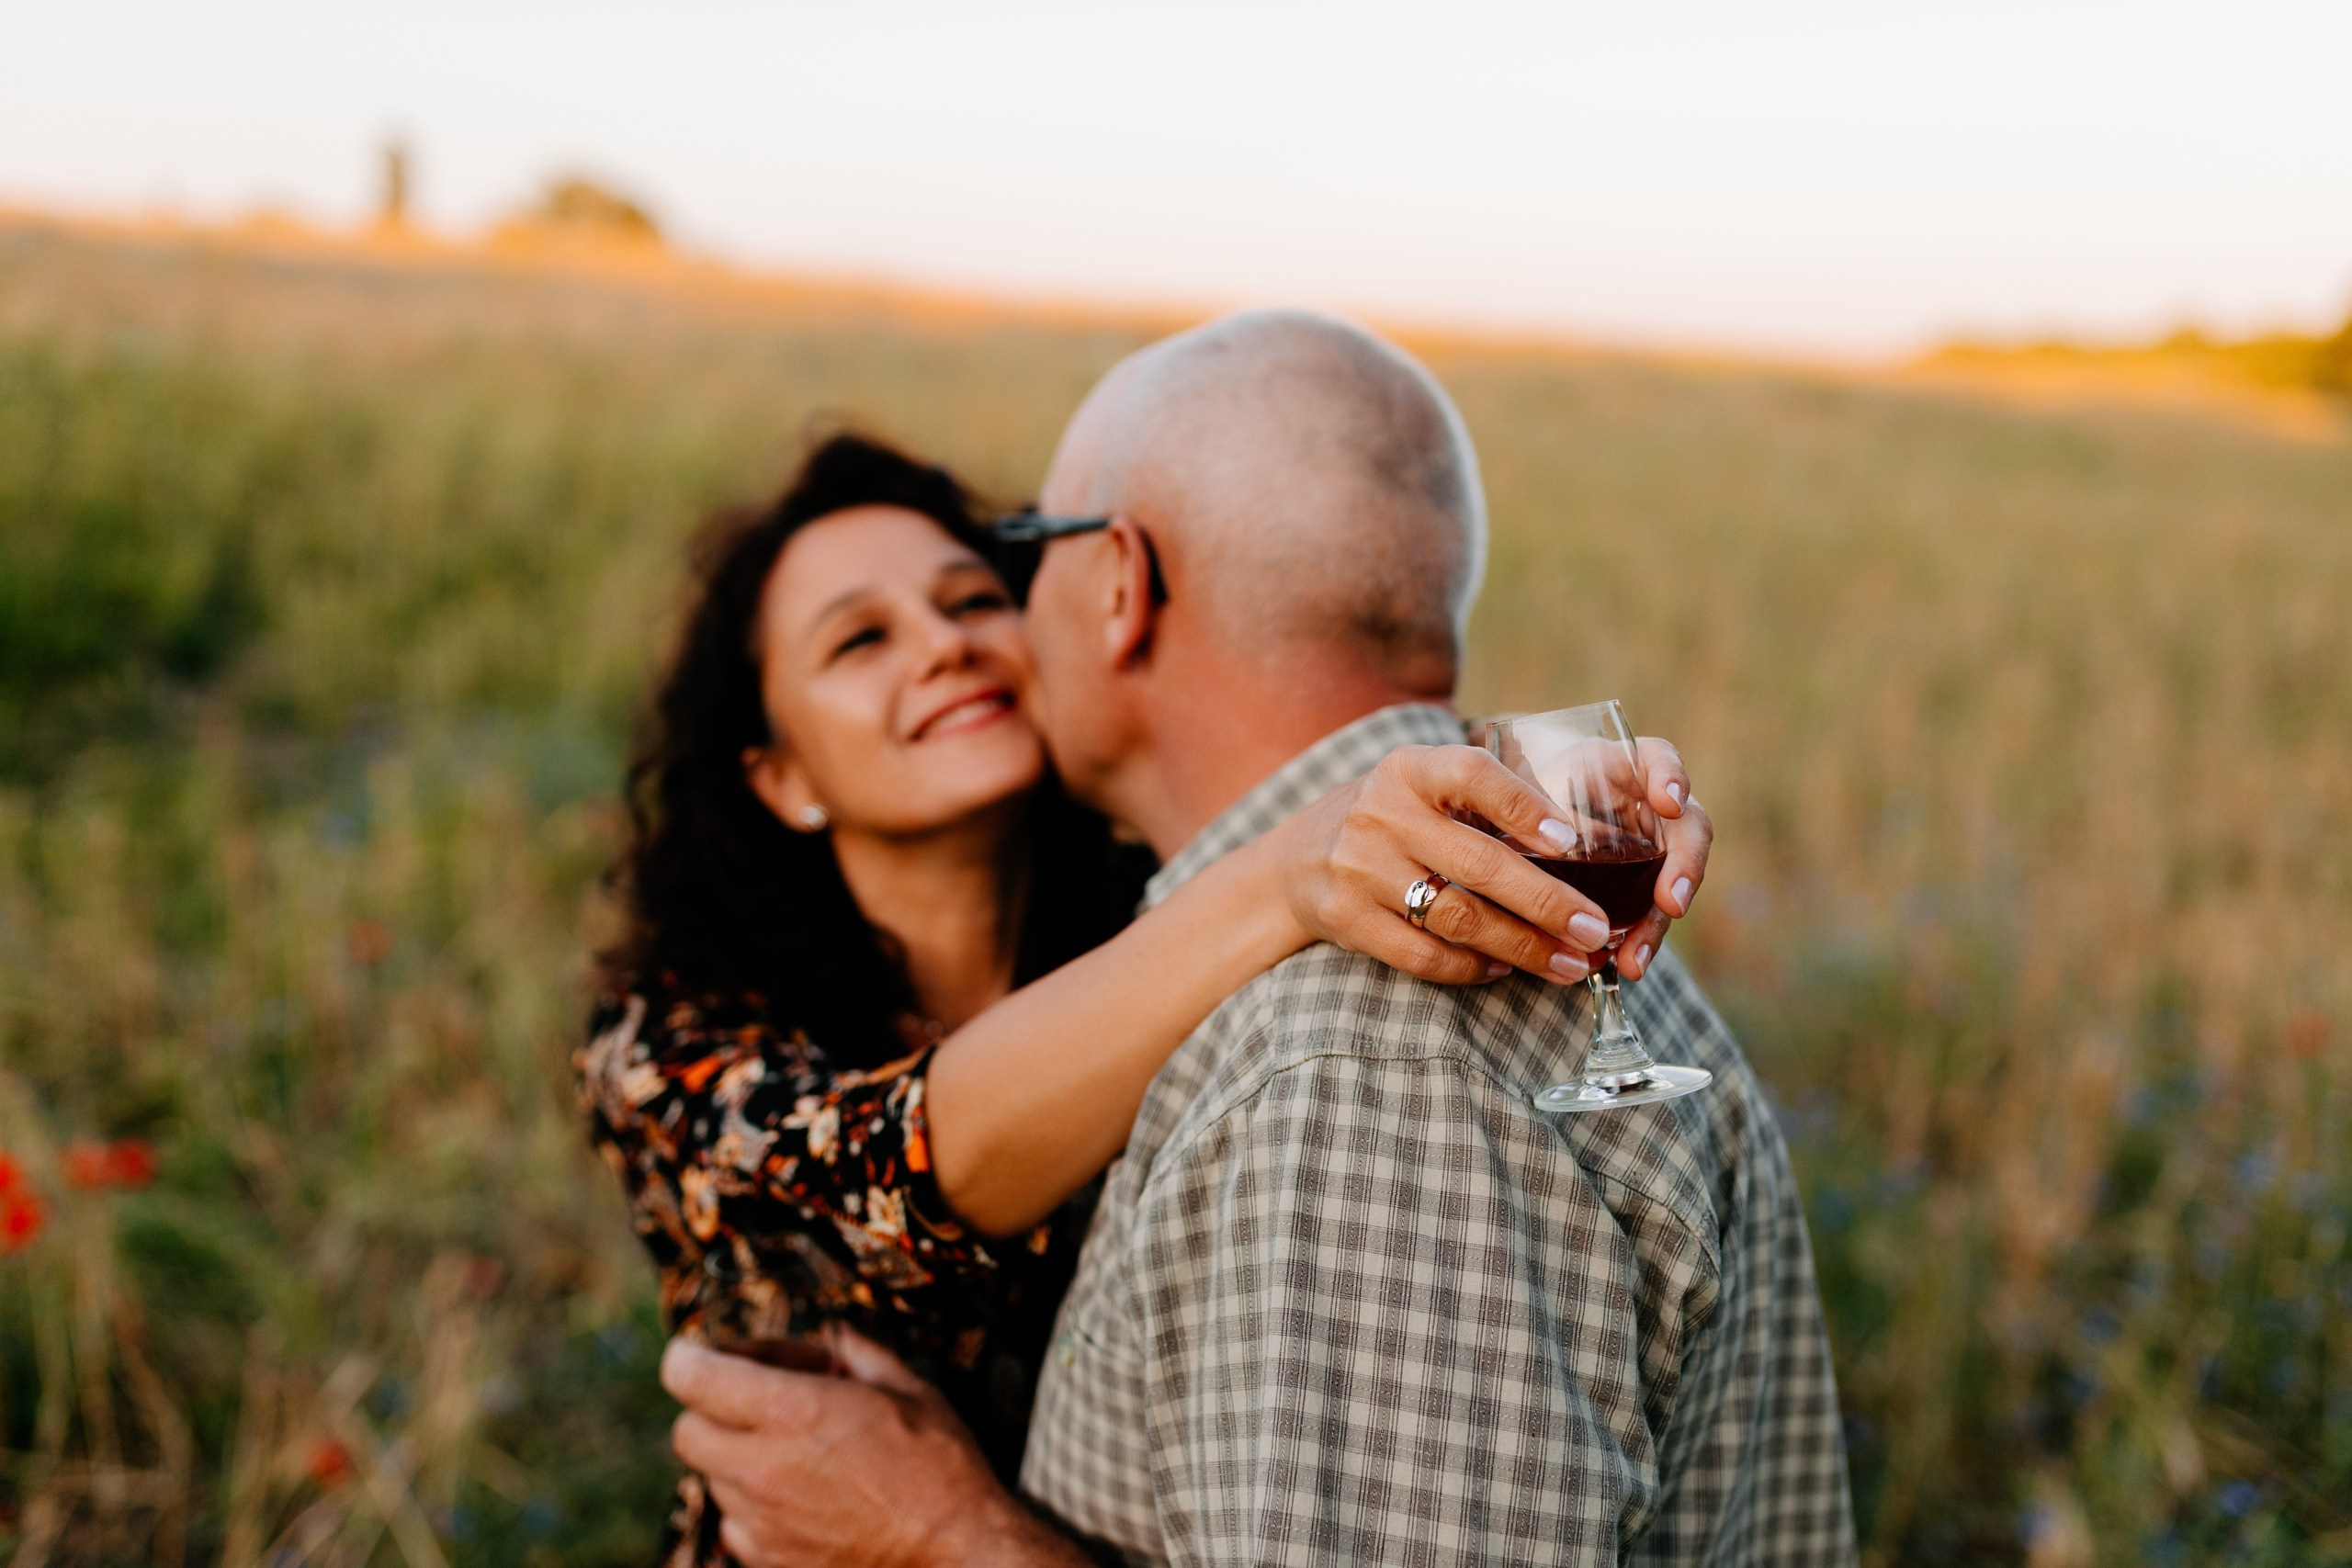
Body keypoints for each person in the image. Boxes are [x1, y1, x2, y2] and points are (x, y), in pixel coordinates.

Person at [661, 311, 1857, 1566]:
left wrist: (940, 1537)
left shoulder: (1347, 1064)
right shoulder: (1357, 932)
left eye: (1014, 563)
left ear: (1118, 585)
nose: (971, 639)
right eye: (861, 637)